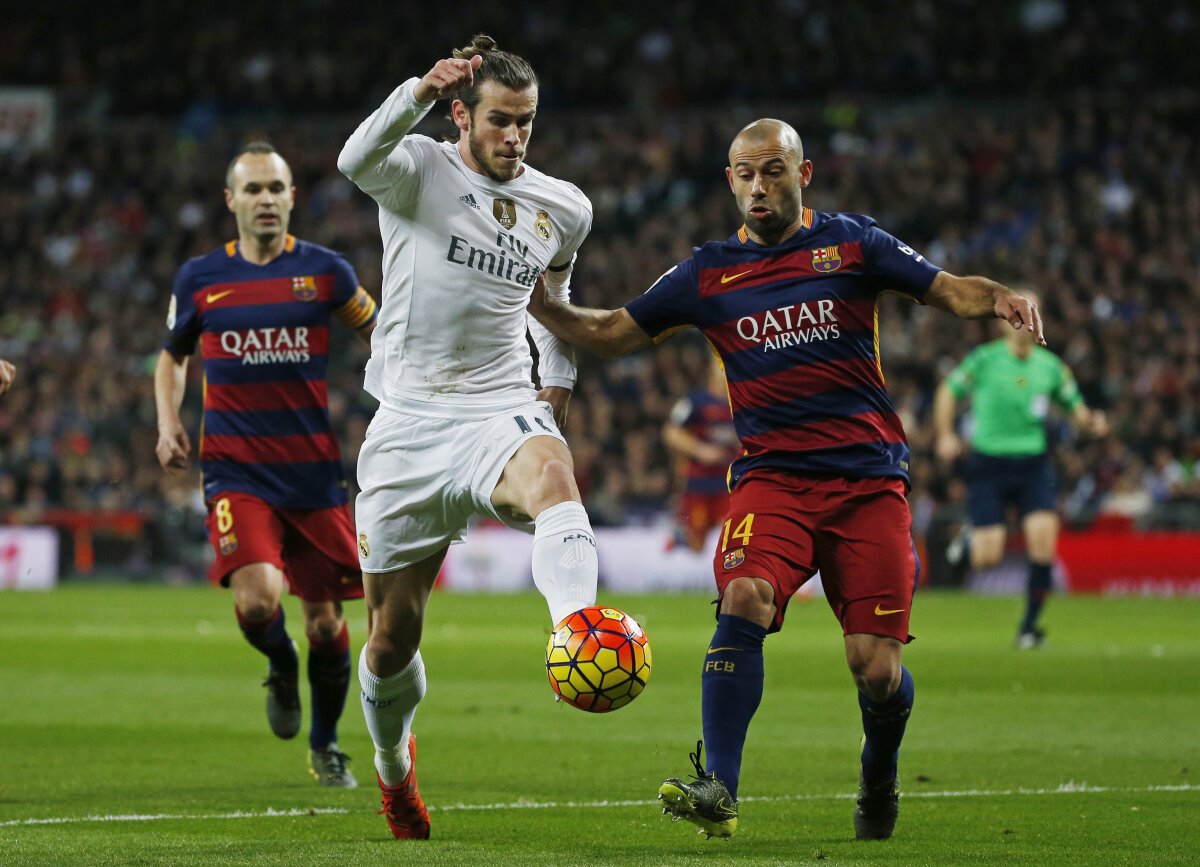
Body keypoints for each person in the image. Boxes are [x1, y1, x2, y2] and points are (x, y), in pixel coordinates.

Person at [527, 118, 1045, 842]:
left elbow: (948, 289)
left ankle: (879, 770)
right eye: (744, 172)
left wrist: (998, 297)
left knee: (875, 669)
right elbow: (616, 329)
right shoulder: (707, 271)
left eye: (773, 170)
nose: (758, 185)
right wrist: (547, 309)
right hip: (772, 479)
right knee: (742, 593)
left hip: (868, 483)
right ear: (729, 181)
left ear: (804, 175)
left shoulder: (853, 244)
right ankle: (721, 785)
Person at [337, 35, 600, 840]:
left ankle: (578, 637)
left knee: (555, 477)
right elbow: (354, 158)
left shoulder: (565, 207)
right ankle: (394, 771)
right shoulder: (416, 168)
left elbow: (555, 301)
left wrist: (557, 378)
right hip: (410, 421)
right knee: (390, 640)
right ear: (462, 114)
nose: (514, 137)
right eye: (498, 121)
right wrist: (416, 87)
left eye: (525, 122)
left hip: (497, 405)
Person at [154, 142, 377, 789]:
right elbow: (172, 356)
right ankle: (281, 664)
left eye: (276, 188)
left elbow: (382, 331)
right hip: (235, 469)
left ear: (291, 197)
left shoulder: (326, 271)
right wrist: (169, 422)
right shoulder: (200, 278)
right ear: (232, 201)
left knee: (328, 622)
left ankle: (327, 743)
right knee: (259, 601)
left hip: (312, 474)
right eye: (253, 190)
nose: (266, 200)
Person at [933, 293, 1106, 648]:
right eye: (1020, 312)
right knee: (987, 557)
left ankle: (1028, 628)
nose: (1027, 320)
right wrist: (946, 435)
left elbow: (1077, 410)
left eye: (1033, 313)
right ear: (1005, 319)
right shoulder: (983, 360)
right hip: (989, 464)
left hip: (1033, 466)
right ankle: (968, 540)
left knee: (1043, 545)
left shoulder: (1052, 367)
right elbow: (948, 392)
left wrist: (1092, 423)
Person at [663, 354, 738, 552]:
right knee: (696, 542)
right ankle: (677, 545)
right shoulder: (695, 402)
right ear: (710, 371)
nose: (724, 371)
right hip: (698, 483)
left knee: (731, 536)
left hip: (727, 483)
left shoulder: (739, 403)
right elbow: (671, 432)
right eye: (719, 367)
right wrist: (701, 450)